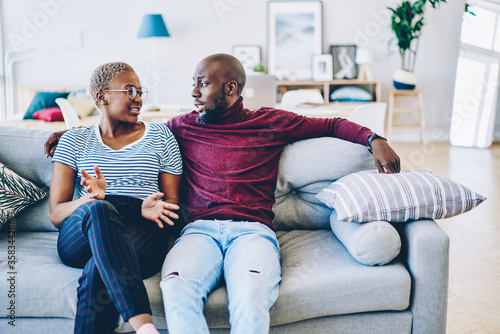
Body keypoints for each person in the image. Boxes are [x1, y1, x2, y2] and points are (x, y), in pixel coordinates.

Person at [45, 54, 400, 334]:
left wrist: (374, 139)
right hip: (198, 233)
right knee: (177, 291)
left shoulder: (270, 121)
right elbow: (127, 129)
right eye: (193, 84)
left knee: (249, 297)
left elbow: (332, 123)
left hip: (252, 232)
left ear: (230, 89)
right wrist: (72, 134)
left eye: (202, 84)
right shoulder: (181, 126)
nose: (194, 92)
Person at [49, 62, 183, 334]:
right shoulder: (74, 141)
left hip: (141, 227)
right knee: (100, 210)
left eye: (141, 91)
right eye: (129, 90)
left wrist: (149, 207)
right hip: (82, 230)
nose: (138, 98)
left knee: (100, 266)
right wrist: (95, 199)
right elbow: (56, 214)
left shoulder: (161, 136)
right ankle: (144, 326)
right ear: (102, 97)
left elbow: (171, 206)